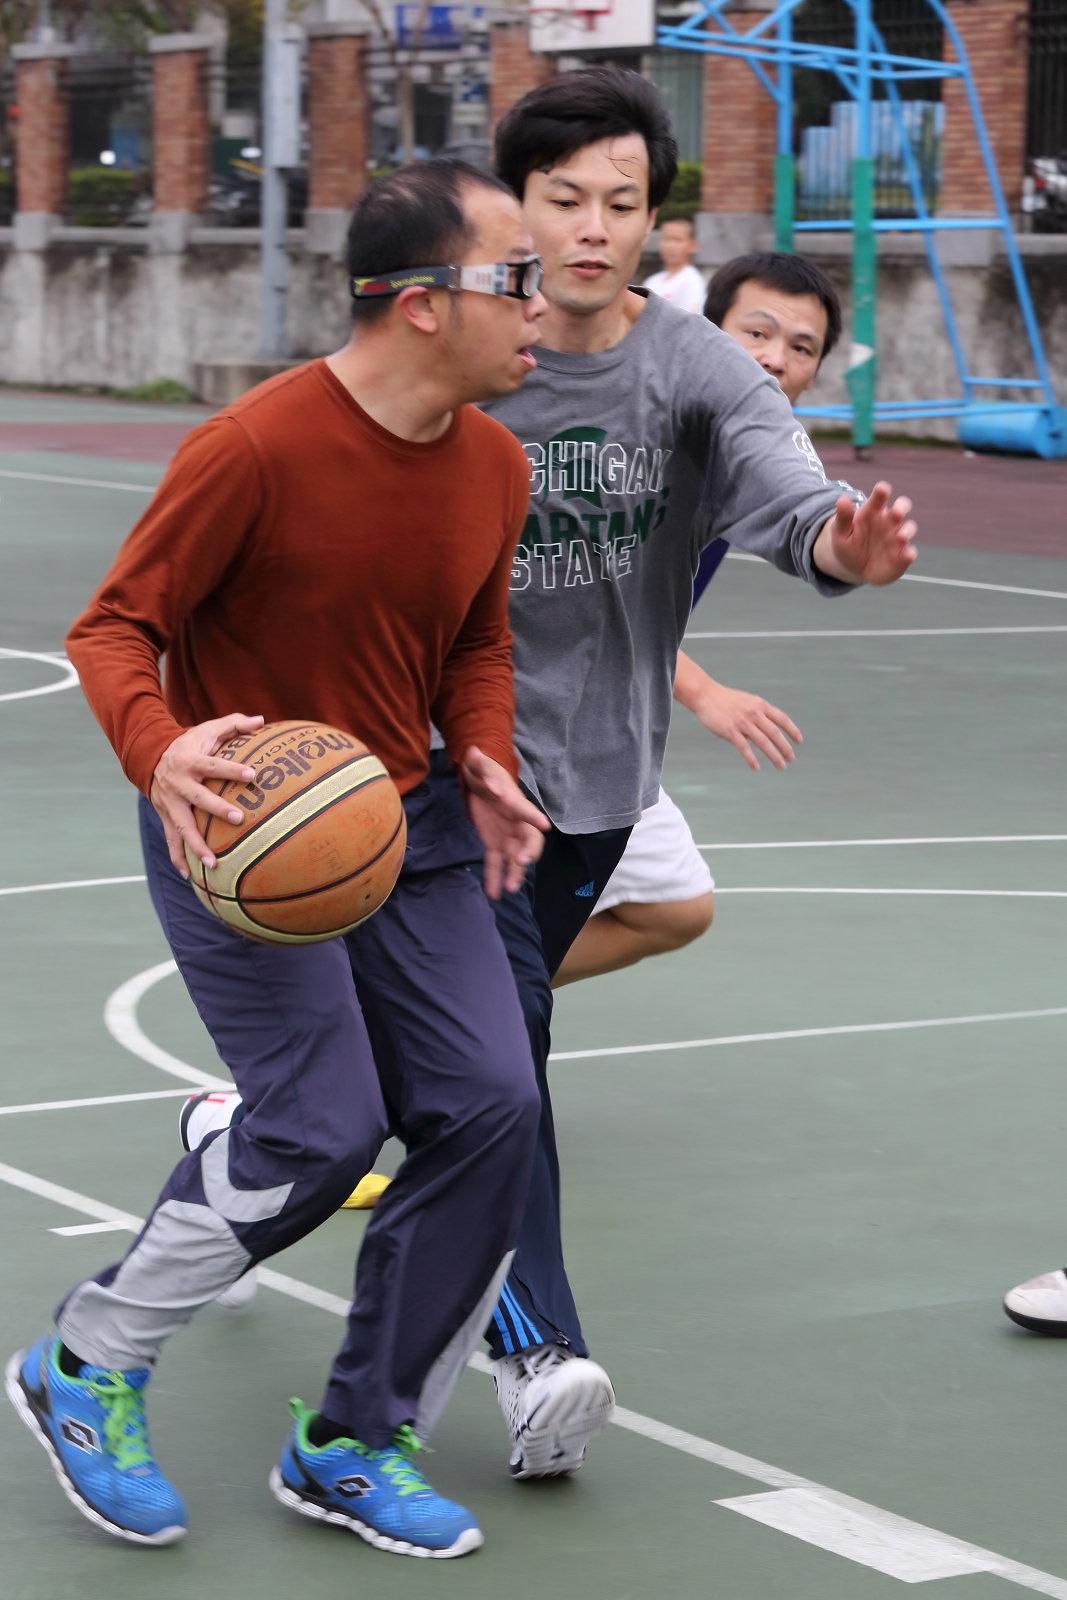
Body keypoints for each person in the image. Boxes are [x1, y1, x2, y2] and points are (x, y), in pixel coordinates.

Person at [5, 159, 552, 1559]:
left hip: (408, 827)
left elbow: (476, 644)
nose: (541, 304)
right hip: (242, 831)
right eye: (514, 278)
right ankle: (89, 1358)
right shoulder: (252, 448)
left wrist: (484, 753)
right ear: (421, 303)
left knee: (493, 1107)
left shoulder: (494, 466)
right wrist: (160, 752)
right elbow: (112, 629)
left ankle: (355, 1440)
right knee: (320, 1127)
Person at [475, 67, 917, 1477]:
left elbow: (790, 496)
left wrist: (844, 544)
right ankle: (535, 1353)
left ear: (652, 218)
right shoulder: (469, 341)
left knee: (441, 1070)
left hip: (597, 791)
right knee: (501, 1067)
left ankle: (246, 1144)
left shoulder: (696, 373)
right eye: (564, 199)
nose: (592, 226)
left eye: (621, 203)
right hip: (451, 774)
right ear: (516, 207)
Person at [555, 250, 844, 985]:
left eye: (801, 348)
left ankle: (454, 1006)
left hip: (602, 724)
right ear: (704, 335)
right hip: (524, 718)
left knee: (674, 905)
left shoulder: (757, 456)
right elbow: (576, 602)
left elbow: (815, 525)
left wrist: (850, 549)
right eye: (757, 333)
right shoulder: (639, 430)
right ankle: (435, 1012)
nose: (774, 359)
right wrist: (704, 692)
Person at [643, 216, 706, 313]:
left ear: (693, 246)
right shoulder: (652, 281)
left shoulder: (692, 281)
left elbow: (691, 318)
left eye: (677, 240)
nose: (670, 246)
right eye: (666, 239)